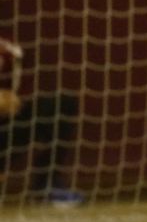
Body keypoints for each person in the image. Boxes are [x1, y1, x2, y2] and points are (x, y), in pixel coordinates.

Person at [0, 36, 85, 208]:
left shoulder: (9, 52)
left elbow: (15, 102)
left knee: (61, 105)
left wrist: (10, 100)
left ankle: (46, 186)